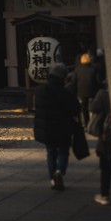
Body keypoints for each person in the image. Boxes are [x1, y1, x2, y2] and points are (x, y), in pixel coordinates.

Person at [34, 62, 81, 190]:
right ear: (64, 77)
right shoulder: (67, 93)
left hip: (47, 127)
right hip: (63, 127)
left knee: (50, 152)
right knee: (63, 152)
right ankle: (59, 172)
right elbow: (76, 109)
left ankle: (53, 181)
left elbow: (38, 109)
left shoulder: (40, 90)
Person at [91, 84, 111, 205]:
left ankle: (104, 194)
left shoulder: (104, 93)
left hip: (109, 136)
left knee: (106, 166)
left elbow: (94, 108)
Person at [69, 52, 99, 129]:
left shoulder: (77, 69)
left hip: (81, 91)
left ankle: (85, 123)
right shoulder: (93, 69)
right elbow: (98, 81)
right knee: (92, 107)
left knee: (83, 108)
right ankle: (92, 124)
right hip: (92, 91)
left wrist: (75, 90)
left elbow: (73, 80)